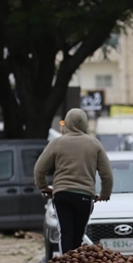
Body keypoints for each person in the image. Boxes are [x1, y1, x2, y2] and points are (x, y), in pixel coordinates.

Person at [33, 108, 113, 254]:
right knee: (78, 235)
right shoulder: (94, 144)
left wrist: (44, 187)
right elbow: (106, 174)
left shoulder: (57, 143)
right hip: (84, 196)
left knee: (65, 232)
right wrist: (105, 193)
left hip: (62, 195)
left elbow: (39, 169)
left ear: (67, 123)